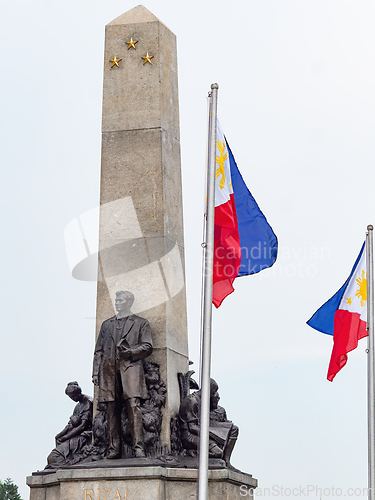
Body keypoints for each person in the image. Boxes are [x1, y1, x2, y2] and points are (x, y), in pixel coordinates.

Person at [92, 291, 153, 459]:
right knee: (111, 408)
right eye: (116, 300)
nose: (117, 302)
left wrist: (130, 352)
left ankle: (138, 447)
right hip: (109, 371)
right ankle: (113, 449)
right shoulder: (107, 324)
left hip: (130, 369)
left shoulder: (141, 323)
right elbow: (98, 351)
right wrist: (95, 373)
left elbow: (148, 346)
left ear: (129, 302)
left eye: (121, 300)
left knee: (133, 406)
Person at [179, 378, 239, 468]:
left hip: (199, 432)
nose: (213, 395)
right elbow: (192, 427)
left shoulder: (203, 401)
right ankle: (191, 456)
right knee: (218, 453)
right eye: (213, 392)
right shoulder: (192, 401)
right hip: (189, 436)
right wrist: (214, 435)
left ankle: (227, 461)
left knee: (234, 429)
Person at [45, 381, 93, 469]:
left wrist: (65, 437)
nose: (72, 399)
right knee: (53, 456)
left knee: (53, 457)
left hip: (85, 436)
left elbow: (82, 426)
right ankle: (66, 461)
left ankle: (67, 463)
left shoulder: (88, 402)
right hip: (75, 434)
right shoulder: (78, 406)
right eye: (70, 397)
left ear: (78, 393)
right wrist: (60, 435)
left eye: (73, 396)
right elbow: (70, 424)